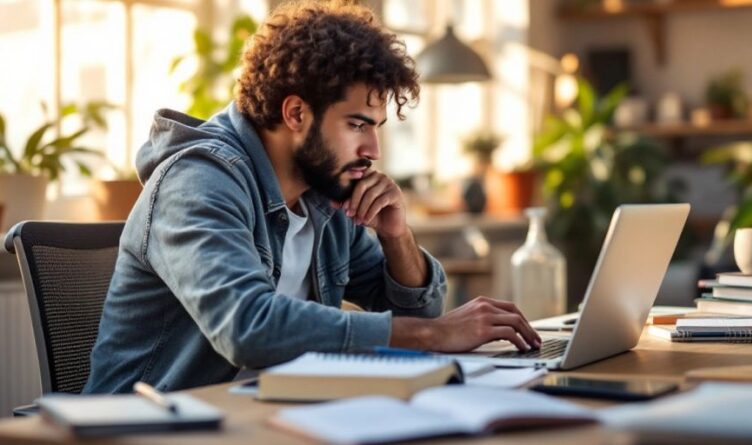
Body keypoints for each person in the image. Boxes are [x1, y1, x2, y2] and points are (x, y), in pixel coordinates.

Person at [83, 0, 540, 394]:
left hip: (270, 414)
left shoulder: (322, 196)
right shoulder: (199, 180)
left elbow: (417, 312)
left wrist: (397, 237)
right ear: (296, 112)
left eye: (376, 128)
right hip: (151, 425)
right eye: (357, 125)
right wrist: (432, 334)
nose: (373, 152)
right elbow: (248, 327)